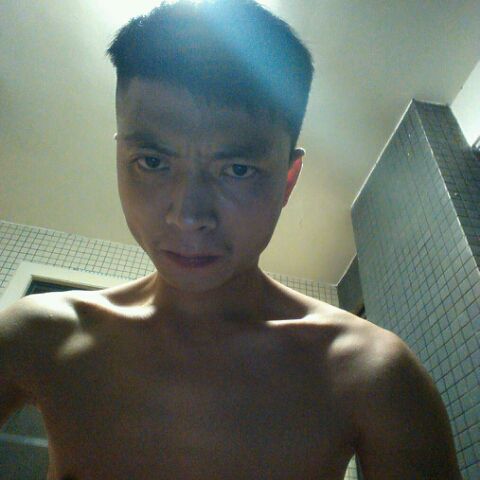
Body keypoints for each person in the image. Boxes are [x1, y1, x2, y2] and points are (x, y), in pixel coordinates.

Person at [0, 1, 462, 479]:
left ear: (287, 180)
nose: (188, 216)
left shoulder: (371, 373)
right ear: (121, 157)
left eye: (238, 169)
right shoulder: (37, 335)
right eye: (153, 162)